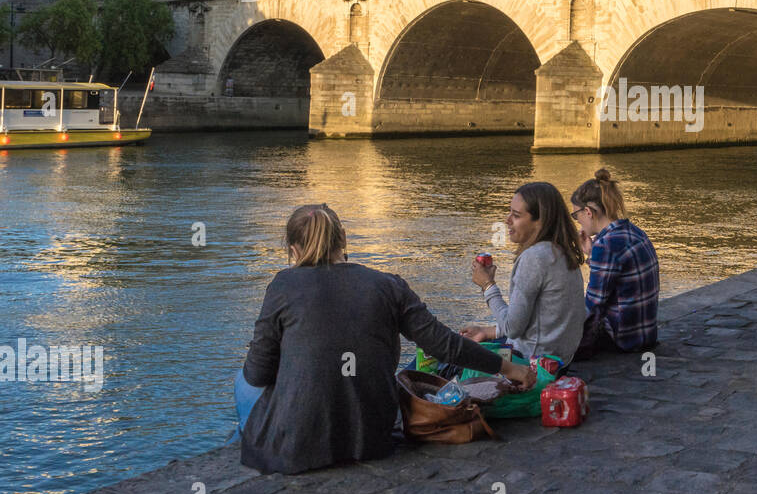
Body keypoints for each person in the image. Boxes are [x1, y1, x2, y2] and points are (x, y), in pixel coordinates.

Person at [235, 204, 533, 475]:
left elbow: (258, 372)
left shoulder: (283, 285)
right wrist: (509, 369)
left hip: (299, 447)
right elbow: (444, 344)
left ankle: (254, 438)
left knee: (242, 381)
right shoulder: (387, 284)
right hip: (371, 438)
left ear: (294, 250)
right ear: (343, 240)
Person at [463, 183, 586, 366]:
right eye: (510, 212)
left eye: (516, 215)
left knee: (453, 355)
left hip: (531, 364)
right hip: (559, 361)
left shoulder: (534, 258)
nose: (507, 220)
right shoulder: (562, 251)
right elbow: (535, 322)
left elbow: (513, 328)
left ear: (539, 222)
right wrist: (489, 332)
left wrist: (487, 285)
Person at [570, 169, 660, 359]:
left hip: (623, 338)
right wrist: (591, 254)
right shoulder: (634, 232)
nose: (578, 223)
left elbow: (593, 304)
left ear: (588, 212)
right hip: (645, 333)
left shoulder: (606, 245)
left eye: (576, 216)